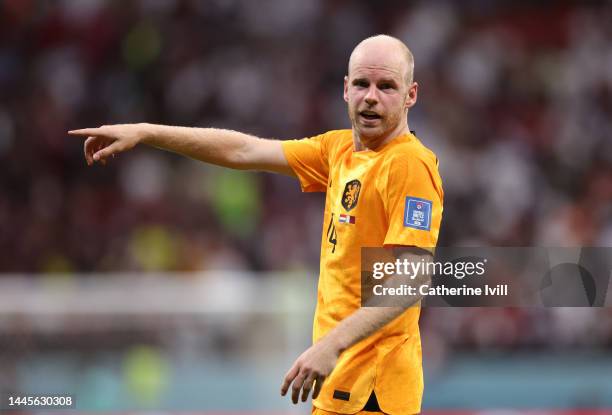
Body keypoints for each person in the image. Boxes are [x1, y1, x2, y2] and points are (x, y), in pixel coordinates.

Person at [69, 34, 444, 415]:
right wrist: (147, 132)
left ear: (411, 95)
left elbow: (412, 277)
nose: (371, 97)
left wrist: (331, 344)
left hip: (374, 391)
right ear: (345, 89)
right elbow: (243, 150)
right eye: (362, 84)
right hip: (341, 385)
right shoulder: (340, 151)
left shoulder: (409, 164)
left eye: (387, 87)